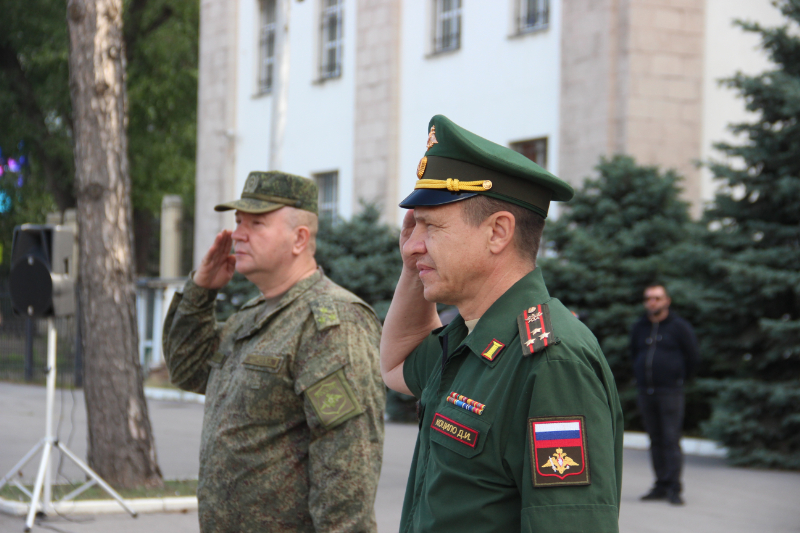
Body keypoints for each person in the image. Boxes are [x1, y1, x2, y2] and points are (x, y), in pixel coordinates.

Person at [380, 115, 624, 533]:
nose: (412, 243)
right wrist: (414, 265)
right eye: (413, 226)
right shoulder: (470, 336)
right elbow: (395, 365)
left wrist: (421, 259)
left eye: (431, 226)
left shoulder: (552, 361)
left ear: (497, 232)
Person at [162, 171, 385, 533]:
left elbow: (347, 464)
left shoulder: (331, 323)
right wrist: (200, 292)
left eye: (257, 223)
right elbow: (187, 369)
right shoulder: (249, 317)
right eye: (238, 222)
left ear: (299, 238)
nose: (238, 234)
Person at [631, 283, 699, 506]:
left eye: (657, 298)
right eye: (648, 298)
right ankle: (660, 484)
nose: (652, 302)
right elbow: (634, 353)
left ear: (667, 301)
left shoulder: (679, 327)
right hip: (646, 392)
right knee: (655, 439)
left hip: (670, 392)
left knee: (670, 439)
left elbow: (693, 357)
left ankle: (674, 487)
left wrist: (678, 379)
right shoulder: (640, 327)